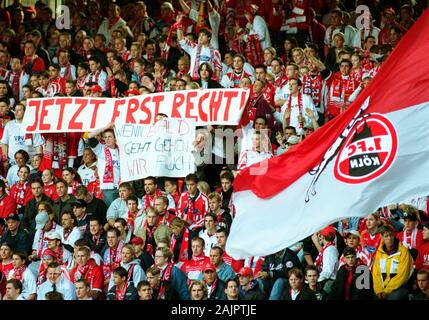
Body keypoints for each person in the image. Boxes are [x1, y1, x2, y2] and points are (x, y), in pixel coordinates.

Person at [373, 224, 413, 300]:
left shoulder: (403, 252)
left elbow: (402, 275)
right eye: (386, 236)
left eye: (391, 235)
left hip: (401, 286)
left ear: (394, 236)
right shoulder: (379, 252)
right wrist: (378, 291)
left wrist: (386, 291)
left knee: (392, 298)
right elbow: (376, 274)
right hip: (383, 287)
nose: (389, 238)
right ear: (382, 238)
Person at [87, 124, 120, 207]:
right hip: (108, 189)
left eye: (110, 137)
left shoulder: (121, 150)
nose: (107, 139)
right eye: (105, 137)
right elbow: (90, 136)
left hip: (121, 187)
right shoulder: (101, 149)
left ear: (115, 138)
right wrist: (106, 127)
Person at [314, 226, 339, 295]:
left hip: (328, 283)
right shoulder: (329, 248)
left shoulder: (330, 250)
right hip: (326, 281)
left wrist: (316, 281)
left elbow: (328, 272)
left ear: (322, 236)